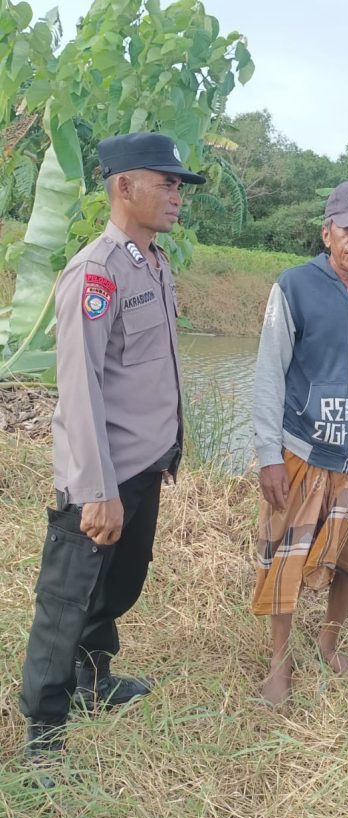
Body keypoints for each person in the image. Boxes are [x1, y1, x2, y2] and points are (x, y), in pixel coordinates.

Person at [20, 132, 205, 782]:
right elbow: (80, 388)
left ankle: (94, 679)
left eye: (179, 184)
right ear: (124, 186)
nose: (177, 194)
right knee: (66, 601)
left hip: (142, 467)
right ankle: (43, 732)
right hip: (98, 477)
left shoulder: (152, 264)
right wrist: (95, 488)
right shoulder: (95, 272)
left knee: (119, 584)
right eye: (168, 181)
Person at [252, 179, 348, 706]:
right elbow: (269, 373)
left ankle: (329, 640)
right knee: (286, 556)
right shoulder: (294, 286)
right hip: (303, 448)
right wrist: (268, 454)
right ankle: (280, 660)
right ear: (327, 232)